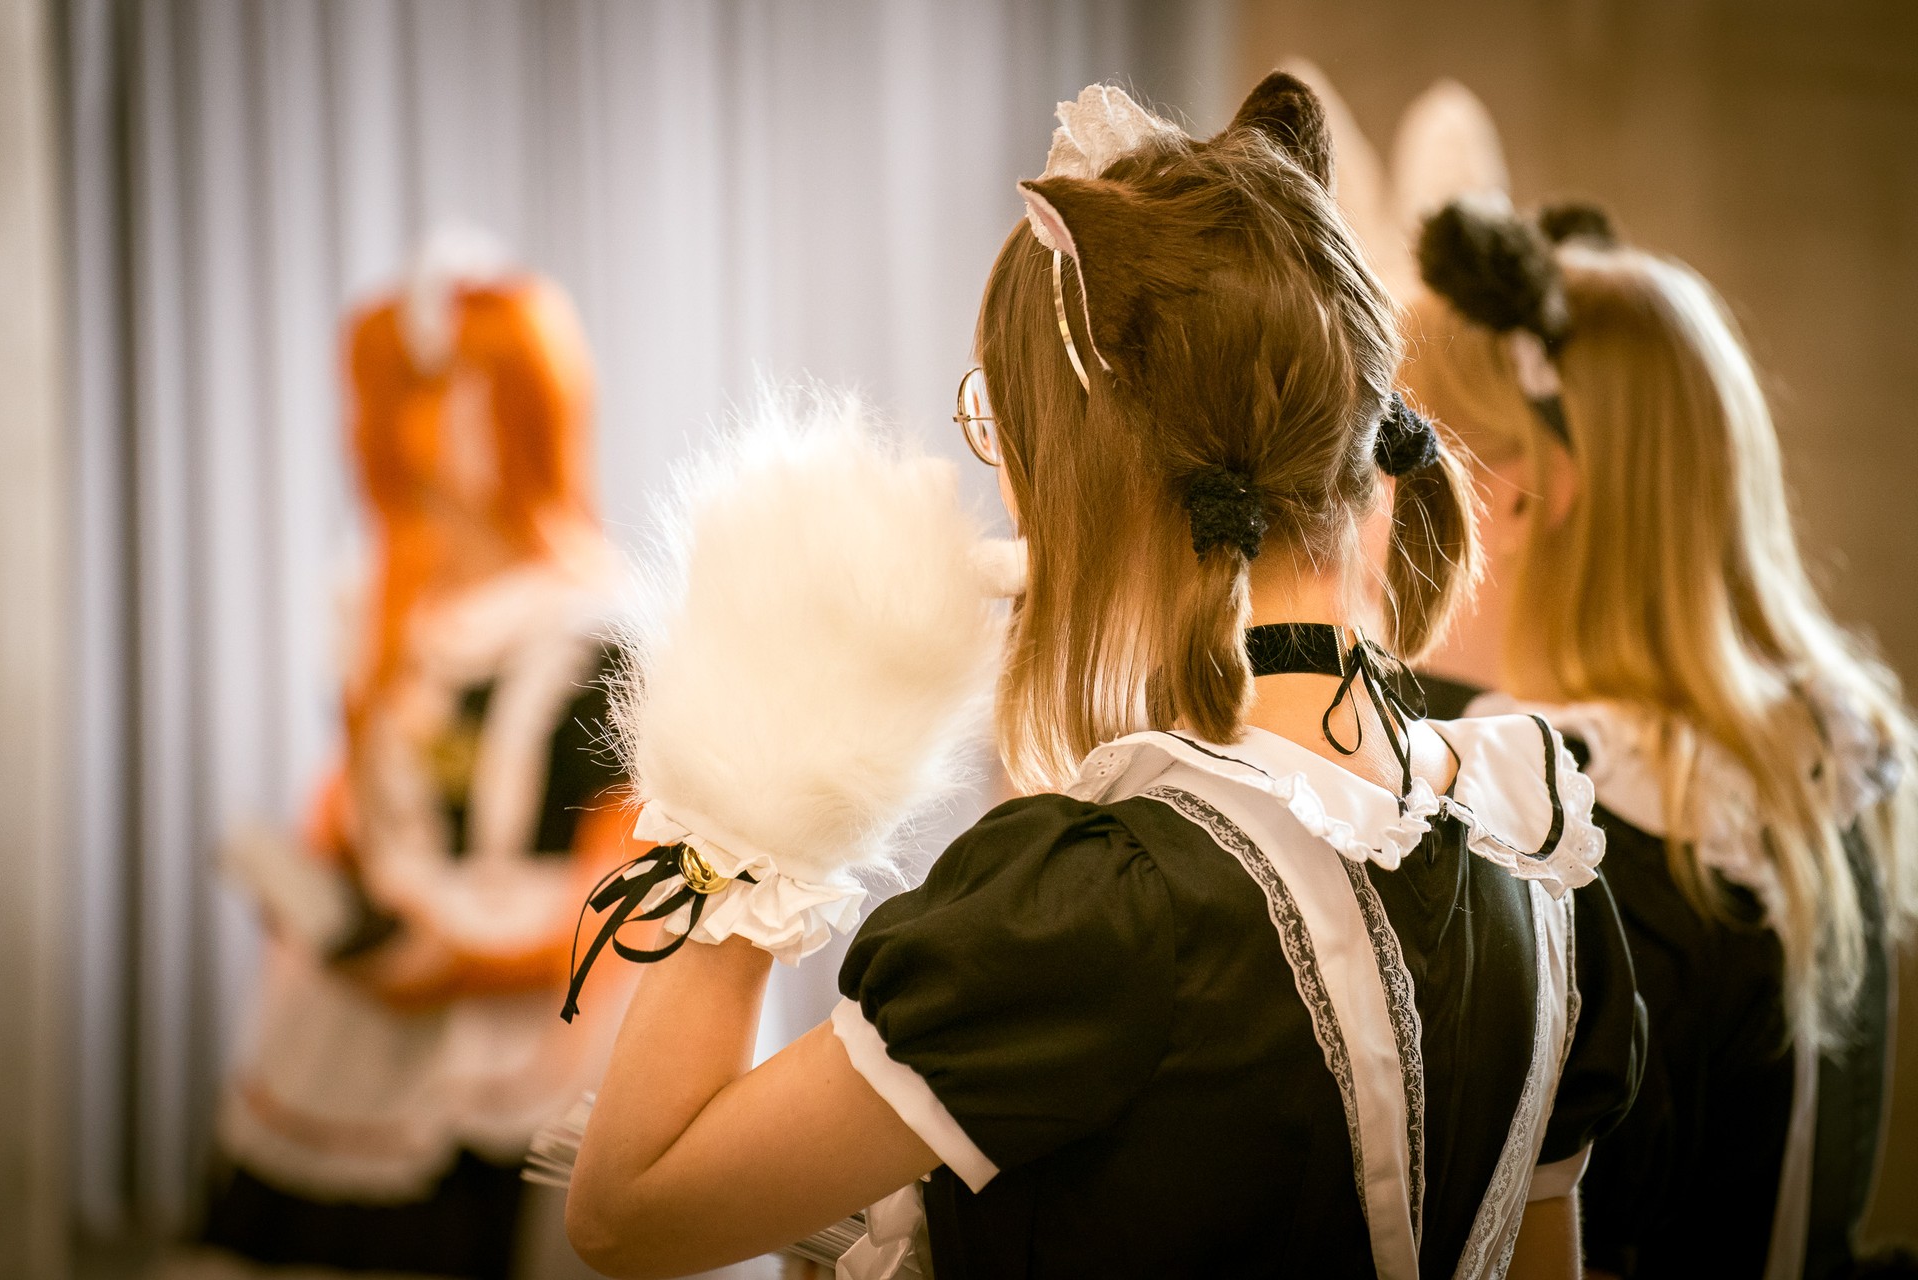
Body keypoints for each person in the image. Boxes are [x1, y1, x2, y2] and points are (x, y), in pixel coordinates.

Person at [560, 77, 1643, 1280]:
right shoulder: (1533, 833)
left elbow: (627, 1210)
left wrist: (758, 779)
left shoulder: (1101, 905)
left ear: (1087, 464)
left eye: (1003, 427)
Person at [1404, 199, 1917, 1279]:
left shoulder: (1573, 832)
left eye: (1409, 455)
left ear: (1525, 497)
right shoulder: (1808, 758)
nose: (1378, 509)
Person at [203, 232, 645, 1280]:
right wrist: (314, 891)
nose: (430, 423)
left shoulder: (604, 624)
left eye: (460, 390)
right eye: (410, 391)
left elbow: (631, 890)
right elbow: (353, 802)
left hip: (521, 1032)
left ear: (531, 403)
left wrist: (459, 961)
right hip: (359, 1013)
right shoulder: (373, 602)